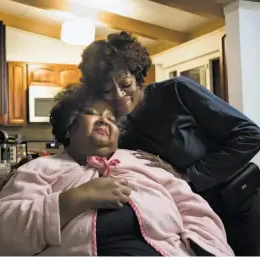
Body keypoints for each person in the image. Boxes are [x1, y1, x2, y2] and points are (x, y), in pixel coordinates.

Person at [0, 84, 233, 256]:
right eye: (93, 114)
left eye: (112, 119)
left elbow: (196, 212)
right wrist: (78, 198)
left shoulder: (143, 163)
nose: (104, 120)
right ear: (69, 125)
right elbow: (6, 232)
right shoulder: (40, 169)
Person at [78, 31, 260, 255]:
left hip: (238, 206)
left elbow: (250, 134)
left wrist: (188, 176)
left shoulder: (177, 91)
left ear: (137, 75)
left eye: (125, 83)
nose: (118, 95)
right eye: (107, 89)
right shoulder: (114, 125)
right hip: (191, 223)